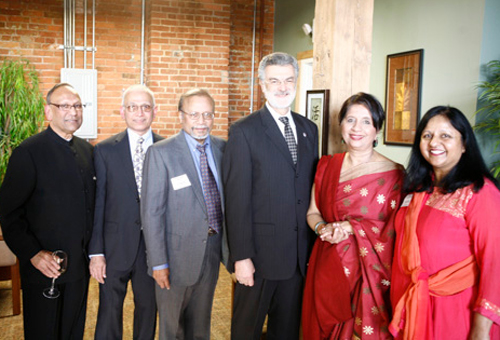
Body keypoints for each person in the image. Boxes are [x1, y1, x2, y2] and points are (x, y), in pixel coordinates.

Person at [223, 52, 319, 340]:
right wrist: (241, 257)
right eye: (274, 80)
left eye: (289, 79)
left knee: (287, 332)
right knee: (246, 331)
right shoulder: (244, 131)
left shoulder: (308, 129)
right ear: (262, 84)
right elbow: (236, 200)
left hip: (297, 257)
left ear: (296, 82)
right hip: (259, 257)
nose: (282, 87)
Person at [390, 106, 500, 339]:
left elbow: (495, 262)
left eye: (445, 136)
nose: (433, 143)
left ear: (464, 144)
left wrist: (482, 330)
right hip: (414, 307)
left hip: (458, 313)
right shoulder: (418, 188)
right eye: (427, 135)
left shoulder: (480, 193)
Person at [301, 92, 405, 339]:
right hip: (328, 262)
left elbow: (395, 230)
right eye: (350, 120)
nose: (357, 128)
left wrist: (350, 228)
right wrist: (322, 229)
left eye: (366, 121)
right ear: (341, 126)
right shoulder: (326, 166)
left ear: (377, 130)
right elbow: (313, 213)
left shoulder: (394, 175)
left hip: (371, 274)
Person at [0, 83, 95, 340]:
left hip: (78, 267)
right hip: (44, 267)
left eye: (77, 106)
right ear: (48, 111)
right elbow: (9, 213)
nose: (73, 112)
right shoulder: (28, 152)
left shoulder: (87, 151)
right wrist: (33, 254)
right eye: (64, 106)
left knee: (73, 331)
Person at [141, 88, 229, 340]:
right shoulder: (161, 152)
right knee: (172, 328)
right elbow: (152, 213)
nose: (201, 122)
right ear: (181, 116)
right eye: (194, 114)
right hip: (174, 255)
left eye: (208, 114)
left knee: (201, 325)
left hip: (212, 249)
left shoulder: (224, 149)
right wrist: (158, 263)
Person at [88, 84, 162, 339]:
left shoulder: (168, 148)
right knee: (109, 311)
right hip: (114, 247)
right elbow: (99, 202)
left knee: (148, 309)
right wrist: (96, 252)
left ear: (155, 111)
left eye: (145, 107)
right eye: (132, 107)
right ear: (122, 111)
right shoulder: (104, 150)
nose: (139, 113)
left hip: (153, 250)